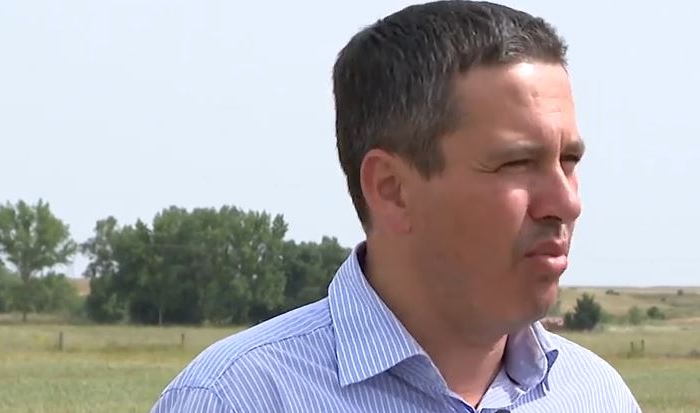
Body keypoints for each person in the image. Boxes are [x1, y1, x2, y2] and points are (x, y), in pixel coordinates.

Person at [151, 1, 642, 412]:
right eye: (516, 163)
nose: (566, 202)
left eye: (569, 161)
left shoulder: (595, 396)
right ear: (391, 189)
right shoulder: (237, 399)